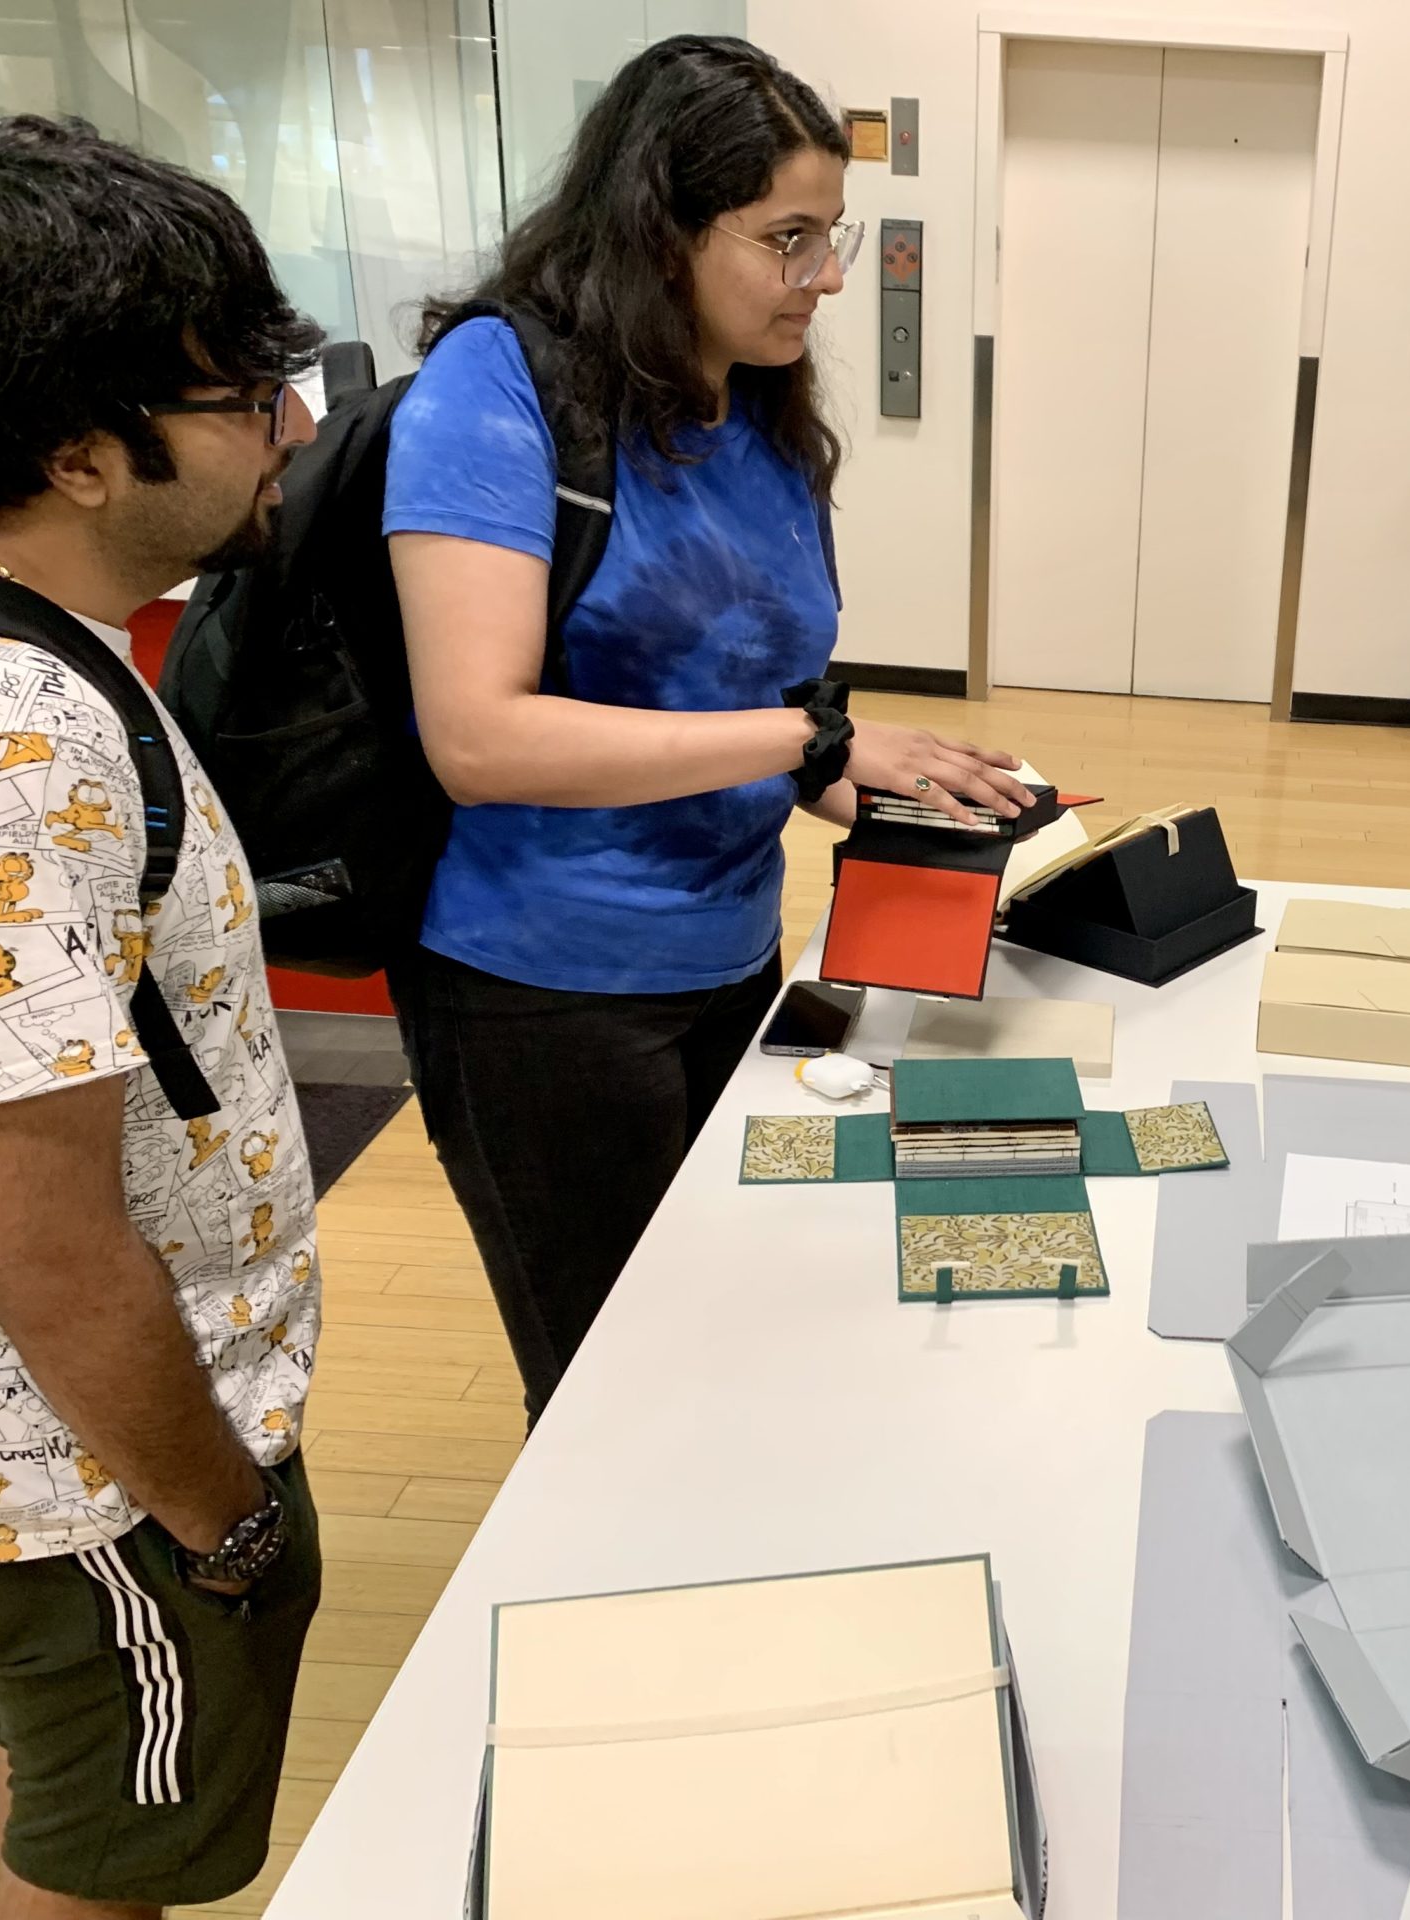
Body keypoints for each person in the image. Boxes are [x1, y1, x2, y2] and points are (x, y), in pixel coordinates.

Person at [383, 35, 1027, 1424]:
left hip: (732, 962)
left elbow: (741, 703)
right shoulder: (497, 389)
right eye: (788, 239)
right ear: (657, 225)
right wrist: (813, 746)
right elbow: (481, 740)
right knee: (614, 1388)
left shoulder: (755, 410)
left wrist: (906, 797)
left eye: (833, 238)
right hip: (542, 991)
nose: (829, 279)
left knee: (732, 1341)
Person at [0, 116, 328, 1915]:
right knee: (107, 1868)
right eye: (243, 393)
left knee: (60, 1773)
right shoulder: (1, 737)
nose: (291, 427)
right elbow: (42, 1239)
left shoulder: (23, 650)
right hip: (92, 1487)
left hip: (36, 1463)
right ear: (82, 454)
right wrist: (219, 1516)